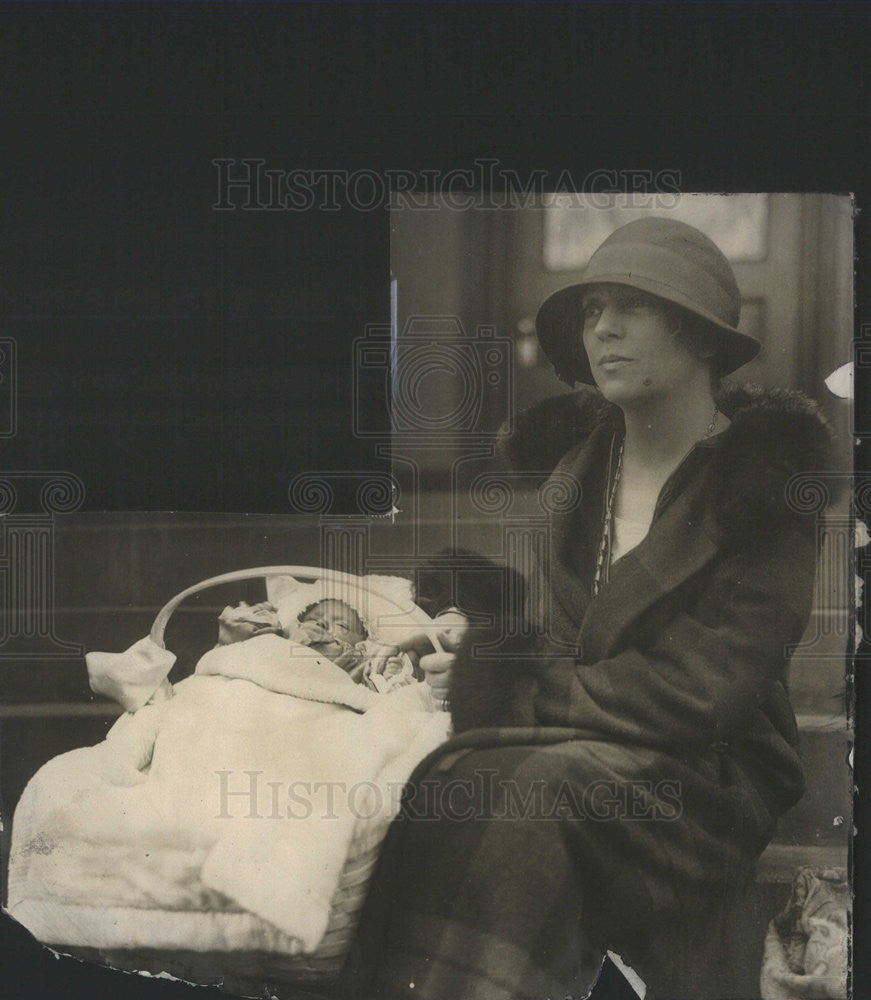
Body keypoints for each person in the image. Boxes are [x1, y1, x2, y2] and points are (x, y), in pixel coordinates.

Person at [338, 217, 835, 1000]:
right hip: (585, 743)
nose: (601, 327)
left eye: (631, 306)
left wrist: (509, 680)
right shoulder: (578, 475)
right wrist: (471, 635)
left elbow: (702, 690)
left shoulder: (762, 486)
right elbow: (565, 633)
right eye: (591, 308)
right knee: (449, 781)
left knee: (528, 795)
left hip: (706, 778)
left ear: (701, 337)